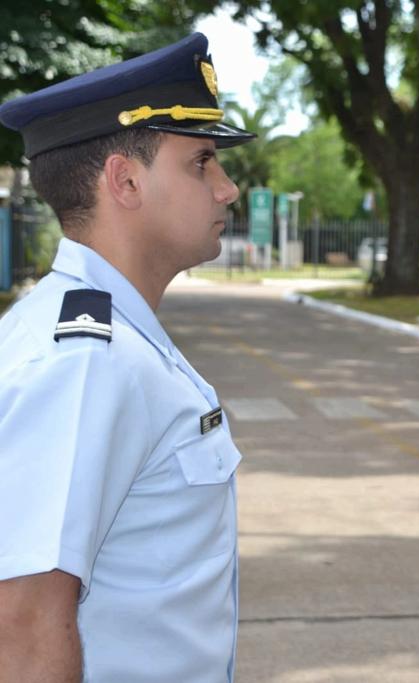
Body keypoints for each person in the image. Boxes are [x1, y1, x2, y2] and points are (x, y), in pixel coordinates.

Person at [0, 34, 255, 682]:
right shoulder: (86, 362)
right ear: (126, 180)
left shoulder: (111, 337)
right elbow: (24, 629)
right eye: (202, 163)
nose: (226, 189)